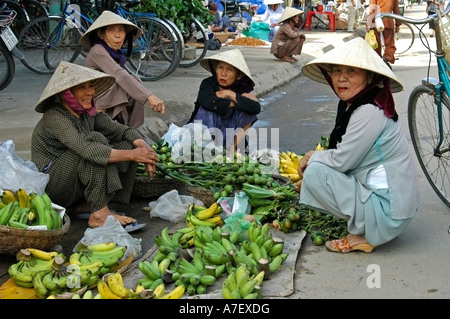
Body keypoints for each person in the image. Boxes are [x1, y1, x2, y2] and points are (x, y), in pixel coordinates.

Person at [298, 37, 420, 253]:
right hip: (392, 205)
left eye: (352, 72)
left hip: (390, 212)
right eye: (336, 71)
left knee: (316, 172)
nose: (341, 78)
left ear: (369, 76)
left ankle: (365, 233)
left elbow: (342, 160)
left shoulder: (368, 111)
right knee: (321, 169)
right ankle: (366, 223)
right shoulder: (360, 104)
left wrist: (311, 156)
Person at [31, 61, 160, 230]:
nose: (90, 92)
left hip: (73, 182)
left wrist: (144, 150)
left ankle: (87, 204)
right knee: (94, 144)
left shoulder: (86, 114)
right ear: (66, 93)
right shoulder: (55, 117)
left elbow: (121, 130)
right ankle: (99, 214)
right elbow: (86, 149)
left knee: (127, 144)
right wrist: (134, 155)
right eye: (81, 88)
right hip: (53, 185)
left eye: (90, 86)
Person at [80, 10, 165, 129]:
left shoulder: (115, 53)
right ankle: (98, 122)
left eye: (121, 30)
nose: (118, 35)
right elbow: (119, 74)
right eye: (111, 30)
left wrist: (144, 94)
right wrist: (149, 96)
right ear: (101, 34)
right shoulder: (98, 50)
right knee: (117, 83)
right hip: (92, 100)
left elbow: (127, 77)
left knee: (135, 79)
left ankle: (131, 128)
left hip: (105, 95)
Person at [187, 49, 261, 152]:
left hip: (228, 136)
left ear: (238, 75)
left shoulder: (239, 89)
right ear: (215, 70)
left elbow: (255, 108)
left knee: (249, 112)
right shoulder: (207, 84)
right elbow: (208, 102)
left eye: (230, 70)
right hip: (203, 135)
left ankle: (232, 149)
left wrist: (229, 94)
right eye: (220, 68)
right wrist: (237, 102)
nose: (223, 73)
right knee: (208, 109)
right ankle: (208, 150)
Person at [366, 0, 402, 68]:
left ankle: (377, 61)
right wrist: (398, 24)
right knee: (389, 43)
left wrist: (368, 23)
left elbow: (373, 9)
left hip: (376, 21)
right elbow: (396, 10)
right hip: (388, 20)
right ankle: (387, 58)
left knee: (376, 43)